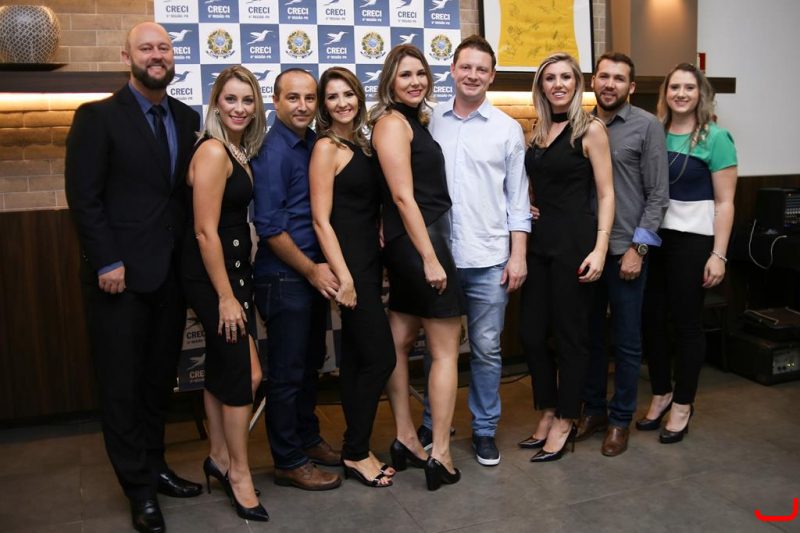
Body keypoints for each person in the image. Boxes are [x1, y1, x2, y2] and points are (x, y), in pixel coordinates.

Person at [64, 22, 202, 533]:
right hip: (118, 280)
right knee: (121, 388)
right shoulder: (97, 117)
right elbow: (84, 198)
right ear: (128, 57)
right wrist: (106, 261)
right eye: (146, 48)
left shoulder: (187, 118)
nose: (156, 55)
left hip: (169, 277)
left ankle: (156, 465)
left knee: (157, 383)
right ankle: (138, 490)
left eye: (164, 47)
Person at [420, 35, 531, 467]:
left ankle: (484, 429)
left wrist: (518, 255)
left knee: (486, 351)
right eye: (465, 67)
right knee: (436, 351)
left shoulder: (507, 129)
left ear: (492, 75)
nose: (472, 75)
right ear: (452, 70)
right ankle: (434, 422)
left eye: (481, 69)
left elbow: (517, 199)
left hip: (489, 260)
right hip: (439, 258)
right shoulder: (429, 121)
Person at [369, 44, 465, 491]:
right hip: (420, 241)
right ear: (390, 80)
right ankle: (440, 454)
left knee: (400, 340)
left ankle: (407, 438)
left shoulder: (412, 121)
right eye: (405, 74)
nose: (415, 81)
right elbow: (402, 196)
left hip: (410, 240)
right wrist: (429, 257)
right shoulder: (392, 122)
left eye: (421, 73)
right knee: (445, 350)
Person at [180, 66, 268, 521]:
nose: (239, 108)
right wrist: (226, 297)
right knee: (244, 376)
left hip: (234, 275)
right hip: (215, 280)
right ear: (216, 103)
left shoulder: (235, 149)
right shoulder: (214, 150)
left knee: (226, 368)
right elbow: (203, 231)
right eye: (231, 99)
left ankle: (217, 456)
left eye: (247, 100)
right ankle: (239, 474)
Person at [518, 52, 615, 463]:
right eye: (550, 78)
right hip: (539, 244)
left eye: (565, 77)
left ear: (577, 84)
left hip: (576, 244)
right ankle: (548, 408)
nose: (558, 84)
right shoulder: (538, 131)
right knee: (531, 333)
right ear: (541, 86)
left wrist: (600, 249)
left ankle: (565, 419)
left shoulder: (590, 130)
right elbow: (537, 185)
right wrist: (527, 203)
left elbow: (606, 194)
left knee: (571, 337)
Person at [574, 52, 669, 456]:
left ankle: (619, 420)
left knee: (627, 341)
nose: (609, 84)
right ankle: (594, 410)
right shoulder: (579, 124)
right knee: (590, 337)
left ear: (631, 86)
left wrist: (638, 249)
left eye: (618, 78)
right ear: (593, 81)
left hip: (625, 251)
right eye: (603, 76)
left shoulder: (647, 126)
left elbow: (658, 195)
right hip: (585, 251)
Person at [252, 68, 343, 491]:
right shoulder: (273, 151)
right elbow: (270, 227)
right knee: (287, 375)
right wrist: (311, 269)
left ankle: (307, 440)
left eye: (310, 98)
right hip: (285, 276)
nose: (303, 106)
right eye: (293, 98)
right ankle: (288, 460)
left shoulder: (313, 143)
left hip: (310, 275)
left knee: (308, 368)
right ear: (275, 101)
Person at [309, 67, 397, 487]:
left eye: (348, 94)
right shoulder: (326, 147)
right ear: (324, 105)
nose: (342, 102)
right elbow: (321, 221)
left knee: (359, 359)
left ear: (359, 97)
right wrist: (344, 278)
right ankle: (356, 451)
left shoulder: (360, 143)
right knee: (382, 358)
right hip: (351, 268)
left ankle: (355, 448)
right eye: (332, 96)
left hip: (369, 262)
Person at [640, 63, 737, 444]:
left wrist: (719, 254)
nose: (681, 94)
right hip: (653, 239)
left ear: (701, 94)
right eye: (674, 87)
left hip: (693, 242)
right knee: (651, 321)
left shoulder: (716, 137)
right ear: (665, 93)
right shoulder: (655, 132)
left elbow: (725, 202)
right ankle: (661, 392)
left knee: (685, 324)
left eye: (689, 88)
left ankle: (682, 403)